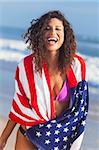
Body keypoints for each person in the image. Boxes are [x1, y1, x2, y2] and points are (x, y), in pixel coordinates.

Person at [0, 10, 89, 150]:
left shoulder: (76, 66)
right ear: (39, 35)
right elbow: (19, 105)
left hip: (59, 139)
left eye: (58, 29)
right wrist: (4, 137)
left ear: (65, 35)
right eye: (47, 28)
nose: (52, 32)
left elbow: (80, 110)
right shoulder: (26, 66)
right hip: (28, 134)